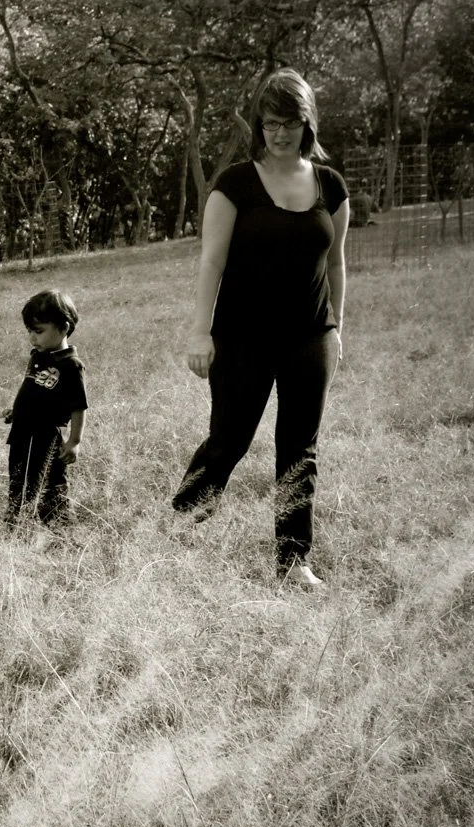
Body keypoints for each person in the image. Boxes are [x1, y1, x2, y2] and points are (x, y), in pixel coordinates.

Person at [173, 67, 349, 589]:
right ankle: (183, 518)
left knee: (301, 448)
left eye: (289, 122)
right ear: (259, 124)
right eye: (270, 123)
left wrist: (337, 327)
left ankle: (293, 561)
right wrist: (200, 332)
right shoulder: (234, 185)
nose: (278, 133)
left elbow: (336, 262)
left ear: (306, 123)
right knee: (229, 439)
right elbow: (211, 263)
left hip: (310, 337)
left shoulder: (330, 186)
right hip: (242, 338)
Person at [1, 289, 88, 527]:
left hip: (46, 438)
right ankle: (17, 524)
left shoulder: (71, 365)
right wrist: (15, 411)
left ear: (64, 328)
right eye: (29, 331)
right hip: (21, 434)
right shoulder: (38, 357)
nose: (32, 338)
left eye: (38, 331)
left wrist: (74, 441)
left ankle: (60, 529)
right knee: (18, 479)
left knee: (50, 484)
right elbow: (32, 389)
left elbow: (79, 407)